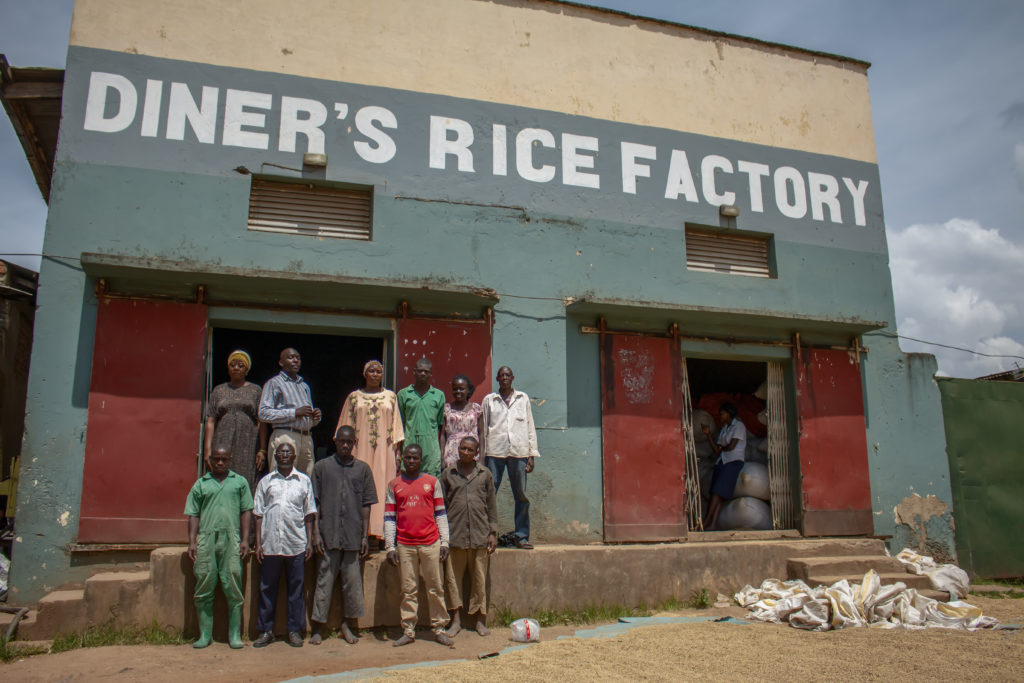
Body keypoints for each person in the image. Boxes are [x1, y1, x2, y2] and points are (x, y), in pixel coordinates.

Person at [310, 425, 377, 645]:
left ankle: (347, 625)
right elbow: (315, 504)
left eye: (349, 442)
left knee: (352, 582)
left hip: (352, 536)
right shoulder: (322, 468)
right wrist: (316, 535)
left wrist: (365, 536)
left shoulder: (363, 469)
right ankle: (318, 627)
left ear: (355, 443)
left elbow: (367, 505)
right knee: (324, 580)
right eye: (342, 442)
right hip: (327, 535)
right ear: (335, 441)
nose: (346, 445)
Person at [384, 444, 453, 647]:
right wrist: (390, 546)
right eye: (408, 458)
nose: (411, 461)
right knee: (408, 589)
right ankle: (408, 630)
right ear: (402, 459)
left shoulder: (432, 482)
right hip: (405, 545)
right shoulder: (394, 485)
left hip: (430, 543)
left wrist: (444, 542)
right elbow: (389, 517)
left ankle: (439, 628)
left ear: (420, 460)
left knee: (435, 587)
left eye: (415, 458)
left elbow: (440, 513)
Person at [184, 445, 253, 649]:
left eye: (224, 459)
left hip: (231, 539)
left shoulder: (239, 482)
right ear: (210, 460)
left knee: (232, 581)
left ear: (230, 460)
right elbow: (193, 513)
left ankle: (234, 635)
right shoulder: (201, 484)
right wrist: (191, 541)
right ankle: (205, 635)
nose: (220, 463)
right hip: (206, 538)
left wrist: (245, 540)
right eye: (216, 459)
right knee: (204, 583)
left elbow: (246, 510)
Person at [251, 439, 317, 648]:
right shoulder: (266, 481)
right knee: (266, 588)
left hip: (296, 543)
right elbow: (258, 513)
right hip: (270, 544)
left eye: (288, 452)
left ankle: (294, 630)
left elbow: (309, 514)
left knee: (296, 589)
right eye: (281, 452)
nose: (285, 455)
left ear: (294, 456)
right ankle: (266, 630)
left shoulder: (304, 481)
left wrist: (308, 542)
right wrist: (259, 543)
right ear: (275, 456)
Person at [338, 360, 404, 543]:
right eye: (371, 371)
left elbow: (396, 427)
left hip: (385, 450)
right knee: (358, 488)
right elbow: (345, 426)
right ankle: (359, 533)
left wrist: (397, 455)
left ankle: (382, 534)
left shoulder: (391, 397)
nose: (375, 374)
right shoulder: (353, 397)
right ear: (365, 374)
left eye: (378, 371)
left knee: (385, 488)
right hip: (360, 451)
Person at [441, 436, 497, 638]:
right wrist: (442, 537)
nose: (465, 452)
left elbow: (491, 505)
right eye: (462, 448)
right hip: (455, 536)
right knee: (452, 580)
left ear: (476, 452)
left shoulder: (485, 474)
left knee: (479, 579)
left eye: (469, 450)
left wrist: (493, 532)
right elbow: (442, 508)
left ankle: (480, 621)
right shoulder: (448, 474)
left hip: (480, 535)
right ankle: (455, 621)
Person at [481, 366, 540, 550]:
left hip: (519, 452)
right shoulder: (489, 400)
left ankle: (521, 537)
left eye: (508, 375)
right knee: (489, 495)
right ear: (497, 379)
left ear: (512, 378)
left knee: (521, 495)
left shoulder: (522, 399)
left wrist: (532, 455)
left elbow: (530, 426)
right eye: (501, 375)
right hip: (494, 452)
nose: (505, 378)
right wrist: (482, 457)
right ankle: (487, 536)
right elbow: (483, 429)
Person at [204, 350, 268, 495]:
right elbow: (211, 420)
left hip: (248, 444)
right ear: (228, 368)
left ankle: (245, 516)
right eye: (232, 365)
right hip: (222, 442)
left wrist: (262, 449)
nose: (236, 368)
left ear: (247, 370)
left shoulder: (255, 390)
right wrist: (207, 450)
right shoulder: (219, 390)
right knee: (221, 477)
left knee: (246, 480)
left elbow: (262, 421)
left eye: (240, 365)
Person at [259, 347, 322, 476]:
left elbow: (306, 417)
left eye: (298, 358)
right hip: (285, 435)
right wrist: (293, 413)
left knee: (305, 480)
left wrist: (315, 418)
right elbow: (263, 413)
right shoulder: (274, 383)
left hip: (306, 437)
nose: (295, 360)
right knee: (282, 479)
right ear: (281, 363)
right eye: (290, 357)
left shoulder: (304, 386)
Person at [700, 402, 747, 530]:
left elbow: (731, 447)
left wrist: (721, 449)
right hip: (722, 462)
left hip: (733, 462)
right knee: (717, 494)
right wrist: (708, 435)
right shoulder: (724, 429)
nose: (720, 416)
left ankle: (706, 521)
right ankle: (713, 524)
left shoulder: (739, 426)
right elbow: (717, 450)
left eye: (722, 414)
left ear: (728, 413)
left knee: (717, 492)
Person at [397, 358, 446, 477]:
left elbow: (440, 426)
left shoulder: (439, 395)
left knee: (431, 483)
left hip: (431, 448)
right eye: (420, 371)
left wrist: (442, 454)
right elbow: (399, 425)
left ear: (431, 374)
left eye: (426, 371)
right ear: (414, 372)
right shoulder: (403, 394)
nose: (423, 373)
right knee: (408, 482)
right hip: (409, 444)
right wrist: (398, 451)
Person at [441, 374, 484, 470]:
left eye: (461, 389)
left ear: (468, 390)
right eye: (455, 389)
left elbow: (481, 434)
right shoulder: (447, 409)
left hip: (472, 452)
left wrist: (482, 457)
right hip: (451, 453)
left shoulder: (476, 408)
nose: (458, 391)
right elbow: (442, 435)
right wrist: (441, 458)